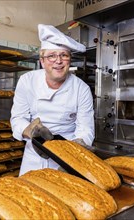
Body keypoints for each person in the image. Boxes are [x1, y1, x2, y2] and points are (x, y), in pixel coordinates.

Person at [10, 24, 95, 176]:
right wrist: (32, 131)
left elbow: (85, 128)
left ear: (70, 60)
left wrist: (74, 154)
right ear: (42, 60)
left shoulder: (81, 88)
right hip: (33, 156)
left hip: (67, 156)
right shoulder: (27, 81)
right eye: (51, 56)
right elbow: (18, 118)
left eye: (64, 55)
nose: (58, 61)